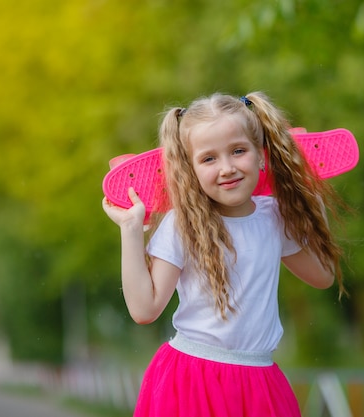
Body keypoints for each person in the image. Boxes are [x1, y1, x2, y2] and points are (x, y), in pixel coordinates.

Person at [102, 91, 347, 417]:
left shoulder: (274, 216)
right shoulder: (182, 224)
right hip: (191, 382)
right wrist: (130, 231)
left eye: (238, 151)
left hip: (261, 383)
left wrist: (310, 195)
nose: (227, 168)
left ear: (262, 155)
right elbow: (144, 309)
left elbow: (322, 275)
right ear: (189, 168)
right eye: (209, 159)